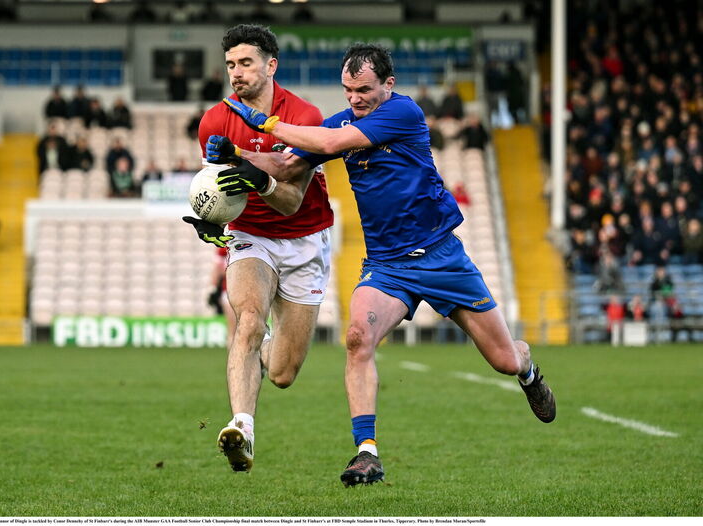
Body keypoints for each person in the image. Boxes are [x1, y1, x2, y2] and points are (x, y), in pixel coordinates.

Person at [217, 42, 555, 486]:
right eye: (347, 90)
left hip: (441, 257)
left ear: (388, 85)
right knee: (357, 338)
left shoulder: (404, 114)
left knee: (503, 360)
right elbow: (285, 163)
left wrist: (266, 121)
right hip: (387, 265)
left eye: (363, 90)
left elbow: (332, 142)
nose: (354, 99)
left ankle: (527, 366)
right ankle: (366, 452)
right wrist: (237, 158)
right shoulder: (344, 120)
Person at [182, 24, 334, 473]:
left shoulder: (306, 117)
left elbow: (289, 201)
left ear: (271, 65)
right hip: (251, 237)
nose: (236, 73)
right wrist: (206, 221)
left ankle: (265, 346)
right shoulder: (214, 119)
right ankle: (242, 428)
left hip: (304, 238)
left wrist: (260, 175)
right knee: (248, 318)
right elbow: (216, 187)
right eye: (230, 64)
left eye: (246, 63)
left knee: (283, 374)